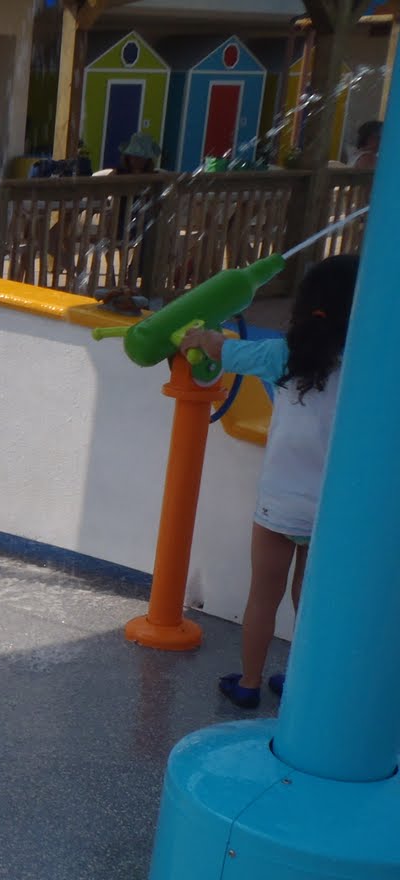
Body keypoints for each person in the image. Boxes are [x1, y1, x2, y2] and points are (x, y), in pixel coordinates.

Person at [178, 254, 360, 709]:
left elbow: (223, 350)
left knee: (264, 593)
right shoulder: (364, 368)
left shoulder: (281, 354)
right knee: (310, 599)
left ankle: (250, 683)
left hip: (279, 502)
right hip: (331, 507)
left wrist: (196, 337)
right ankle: (302, 683)